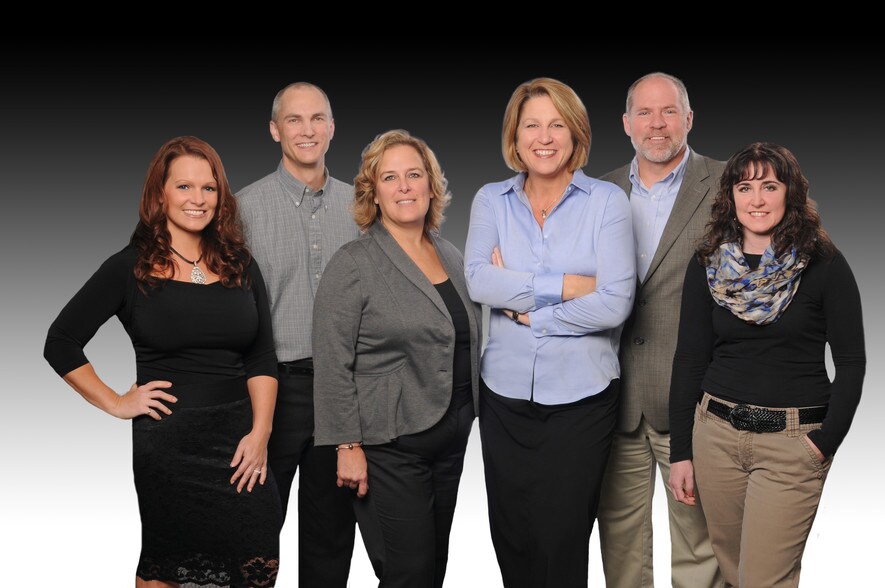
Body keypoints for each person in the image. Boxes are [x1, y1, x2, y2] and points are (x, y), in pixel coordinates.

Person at [43, 136, 282, 587]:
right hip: (169, 448)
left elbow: (261, 356)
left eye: (209, 188)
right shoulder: (129, 267)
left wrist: (261, 433)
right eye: (184, 186)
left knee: (256, 565)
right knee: (166, 572)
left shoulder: (241, 264)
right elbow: (61, 342)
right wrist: (117, 402)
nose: (198, 199)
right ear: (160, 194)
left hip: (241, 444)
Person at [668, 142, 865, 587]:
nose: (756, 200)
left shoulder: (824, 264)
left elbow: (851, 363)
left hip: (791, 445)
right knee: (734, 573)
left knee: (764, 580)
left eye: (769, 186)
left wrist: (823, 443)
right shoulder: (708, 264)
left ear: (790, 192)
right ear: (730, 196)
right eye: (745, 187)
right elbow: (690, 359)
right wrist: (681, 451)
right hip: (715, 438)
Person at [464, 77, 635, 587]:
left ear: (575, 133)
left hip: (582, 400)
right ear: (514, 137)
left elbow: (615, 303)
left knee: (562, 541)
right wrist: (570, 285)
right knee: (512, 538)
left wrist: (528, 310)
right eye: (532, 125)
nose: (544, 137)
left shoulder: (607, 202)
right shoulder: (490, 200)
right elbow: (478, 280)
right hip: (504, 397)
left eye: (557, 125)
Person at [312, 129, 482, 588]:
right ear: (373, 192)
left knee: (434, 569)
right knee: (409, 574)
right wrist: (346, 446)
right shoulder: (352, 263)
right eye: (390, 177)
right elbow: (331, 361)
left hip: (450, 441)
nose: (404, 186)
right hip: (389, 446)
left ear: (431, 184)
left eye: (414, 174)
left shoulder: (450, 254)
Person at [596, 72, 724, 587]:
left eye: (668, 111)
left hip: (696, 398)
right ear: (626, 123)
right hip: (614, 395)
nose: (657, 124)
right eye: (644, 113)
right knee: (621, 545)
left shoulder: (727, 184)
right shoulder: (597, 191)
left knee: (701, 545)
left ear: (688, 119)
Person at [236, 82, 359, 586]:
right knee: (253, 533)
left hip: (342, 392)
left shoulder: (363, 207)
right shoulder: (242, 210)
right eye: (294, 119)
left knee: (331, 539)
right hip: (270, 391)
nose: (307, 130)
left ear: (331, 127)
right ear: (274, 130)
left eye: (317, 118)